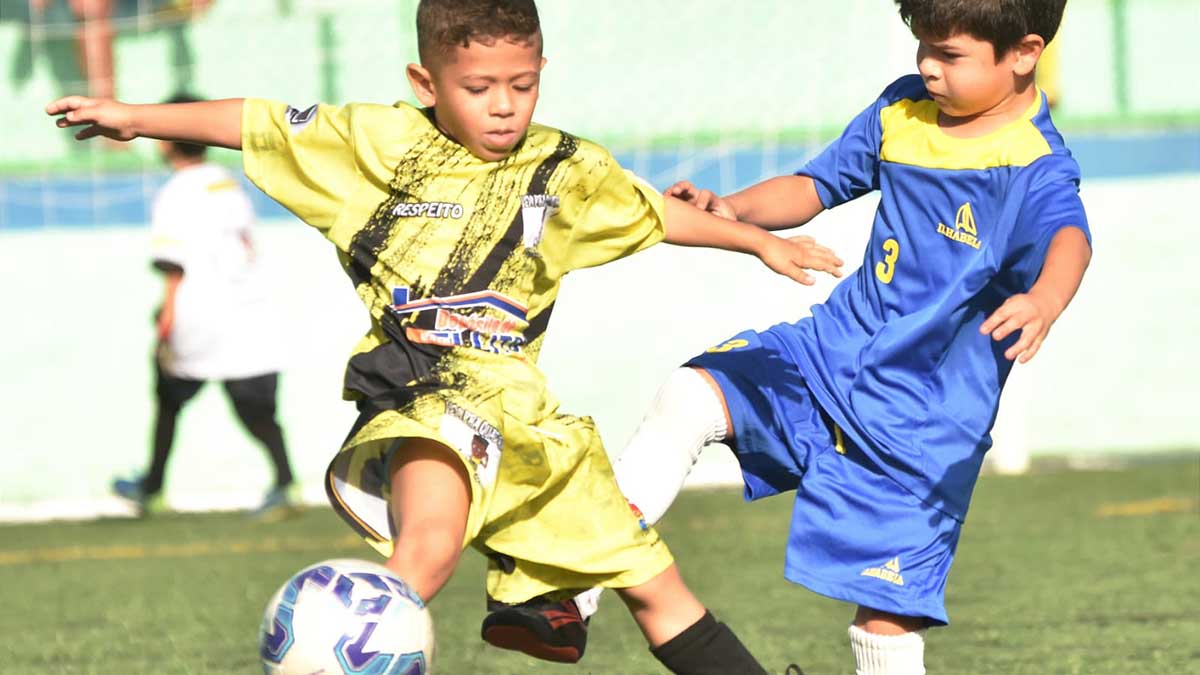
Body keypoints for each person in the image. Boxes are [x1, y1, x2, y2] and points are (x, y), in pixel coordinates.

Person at [47, 1, 844, 671]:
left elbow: (656, 211)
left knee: (658, 589)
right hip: (428, 399)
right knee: (421, 554)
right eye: (479, 87)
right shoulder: (377, 148)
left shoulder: (564, 168)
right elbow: (256, 121)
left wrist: (757, 241)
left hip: (535, 427)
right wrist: (132, 116)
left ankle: (538, 597)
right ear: (426, 82)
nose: (504, 104)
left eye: (522, 84)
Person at [557, 1, 1093, 673]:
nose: (926, 65)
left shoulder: (1035, 166)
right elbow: (815, 183)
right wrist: (733, 209)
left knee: (885, 621)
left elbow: (1070, 237)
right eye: (920, 46)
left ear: (1023, 53)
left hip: (920, 424)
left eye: (948, 54)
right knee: (688, 396)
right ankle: (572, 588)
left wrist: (1045, 297)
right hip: (827, 354)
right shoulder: (902, 109)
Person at [109, 93, 299, 521]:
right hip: (249, 314)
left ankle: (151, 487)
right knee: (258, 412)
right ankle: (285, 484)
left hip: (201, 315)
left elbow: (173, 263)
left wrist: (166, 316)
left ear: (164, 140)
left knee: (169, 399)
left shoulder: (176, 192)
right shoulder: (228, 182)